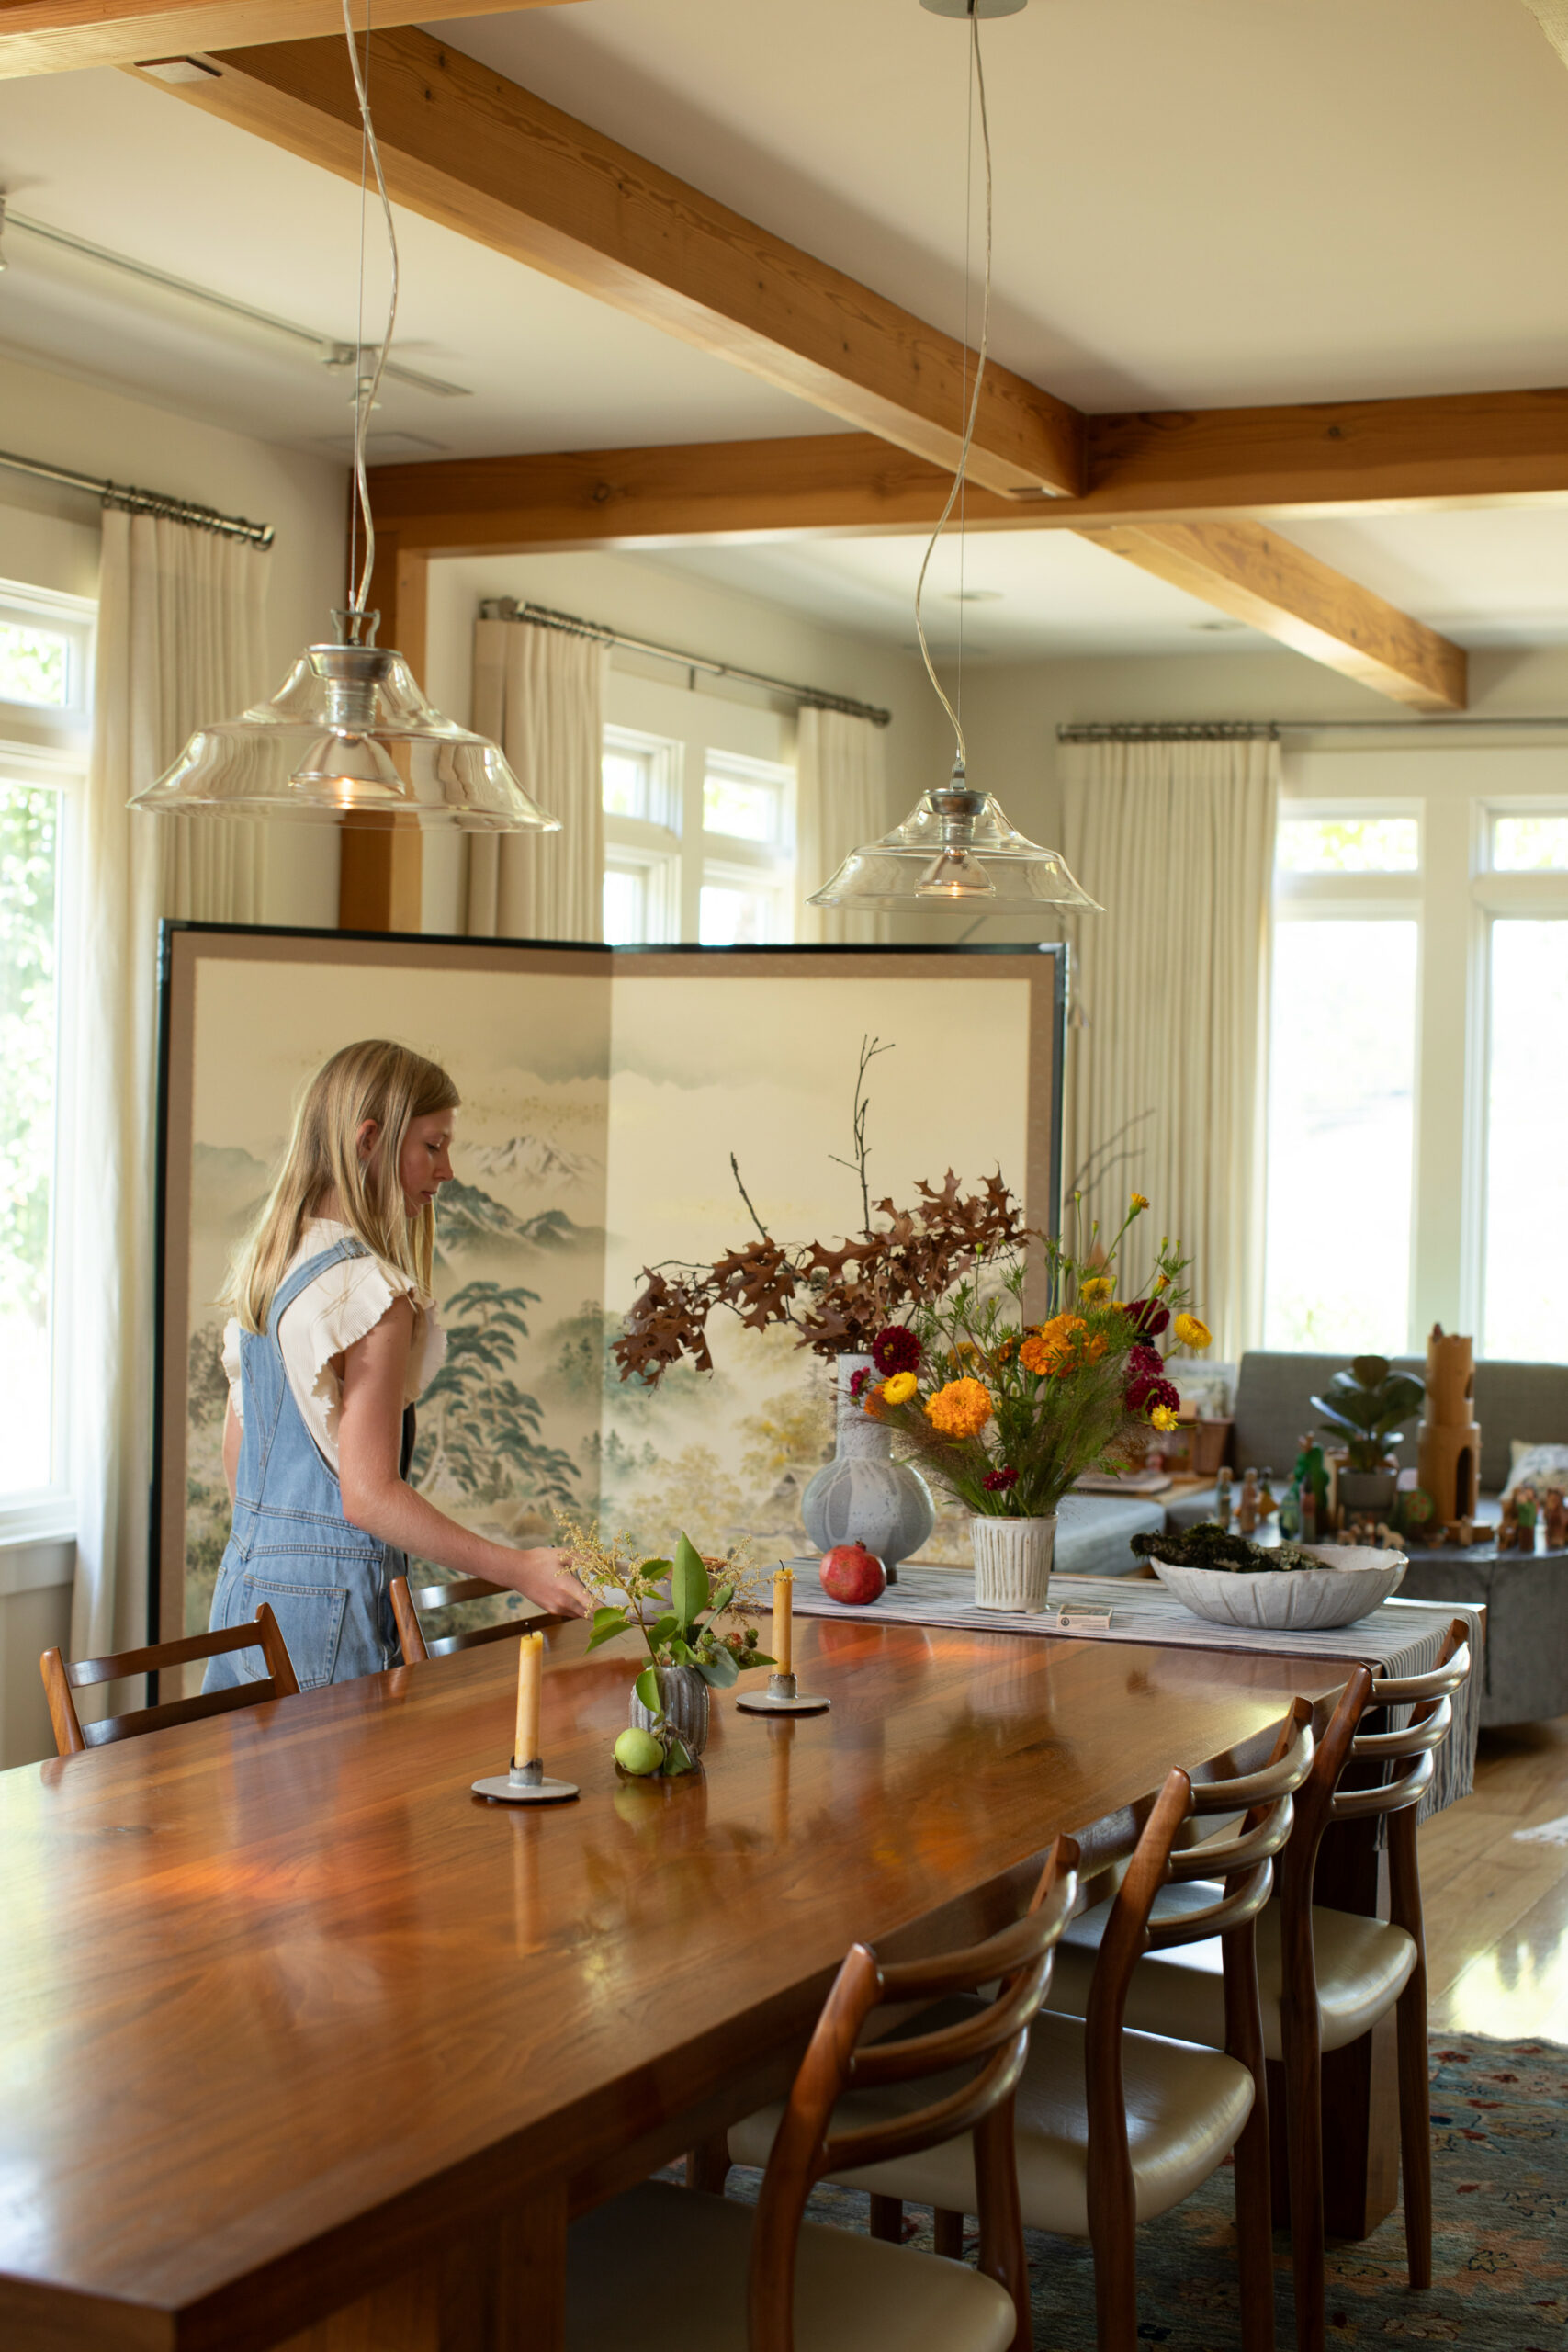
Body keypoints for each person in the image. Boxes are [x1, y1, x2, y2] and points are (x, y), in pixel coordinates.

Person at [206, 1039, 591, 1692]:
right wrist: (519, 1568)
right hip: (329, 1608)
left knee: (255, 1796)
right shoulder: (370, 1291)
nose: (447, 1171)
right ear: (368, 1141)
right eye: (433, 1146)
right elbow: (368, 1497)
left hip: (244, 1595)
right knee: (352, 1798)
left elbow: (240, 1467)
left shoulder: (271, 1274)